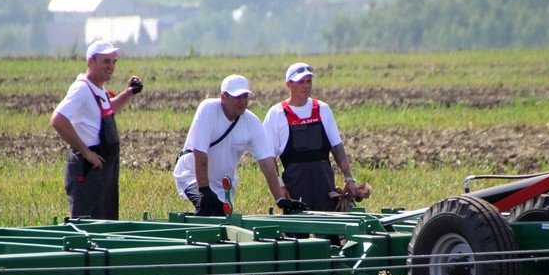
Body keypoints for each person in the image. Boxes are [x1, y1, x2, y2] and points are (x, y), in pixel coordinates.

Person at [173, 74, 305, 216]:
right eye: (237, 97)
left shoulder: (252, 122)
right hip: (192, 175)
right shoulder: (208, 110)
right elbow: (200, 155)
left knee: (222, 219)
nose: (242, 101)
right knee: (207, 209)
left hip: (220, 184)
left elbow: (267, 163)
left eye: (245, 97)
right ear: (223, 97)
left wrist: (279, 198)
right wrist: (204, 191)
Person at [51, 40, 143, 220]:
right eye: (106, 61)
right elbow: (58, 119)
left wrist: (128, 93)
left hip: (105, 170)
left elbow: (108, 110)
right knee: (87, 227)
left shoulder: (98, 89)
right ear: (90, 62)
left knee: (105, 224)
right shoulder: (81, 89)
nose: (111, 66)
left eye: (114, 62)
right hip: (88, 169)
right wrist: (86, 152)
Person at [263, 62, 359, 211]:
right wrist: (280, 187)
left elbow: (337, 147)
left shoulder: (322, 109)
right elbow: (269, 158)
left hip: (324, 185)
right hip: (295, 186)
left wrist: (349, 178)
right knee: (296, 233)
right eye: (300, 82)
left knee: (330, 232)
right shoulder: (276, 114)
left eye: (309, 81)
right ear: (289, 84)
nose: (306, 86)